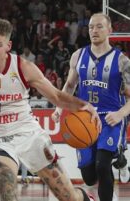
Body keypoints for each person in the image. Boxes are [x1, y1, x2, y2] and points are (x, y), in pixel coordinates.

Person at [0, 17, 101, 201]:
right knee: (5, 183)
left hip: (30, 135)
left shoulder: (23, 67)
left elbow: (55, 96)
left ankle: (84, 198)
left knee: (69, 197)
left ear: (8, 45)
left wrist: (83, 105)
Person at [52, 13, 130, 201]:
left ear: (110, 30)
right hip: (85, 117)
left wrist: (121, 113)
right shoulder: (78, 56)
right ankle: (117, 163)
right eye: (91, 27)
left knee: (103, 166)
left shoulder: (122, 61)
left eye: (99, 27)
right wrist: (59, 108)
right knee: (89, 176)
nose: (94, 31)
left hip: (110, 118)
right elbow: (70, 85)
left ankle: (118, 159)